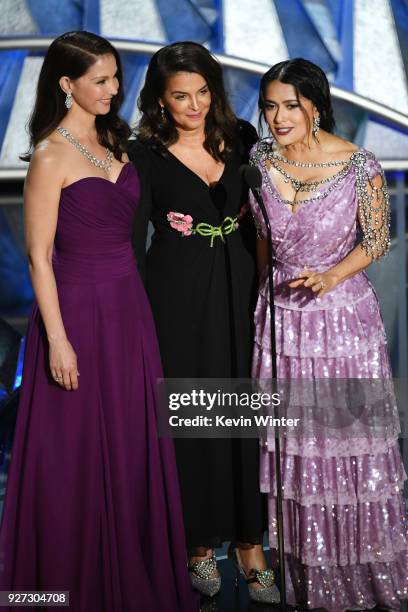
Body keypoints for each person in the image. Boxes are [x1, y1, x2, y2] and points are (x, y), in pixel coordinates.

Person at [0, 31, 198, 612]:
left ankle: (134, 573)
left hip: (129, 313)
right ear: (67, 85)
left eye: (115, 78)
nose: (114, 90)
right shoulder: (49, 155)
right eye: (101, 80)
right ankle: (65, 589)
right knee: (75, 457)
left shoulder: (118, 141)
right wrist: (58, 342)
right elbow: (39, 256)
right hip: (76, 317)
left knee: (133, 450)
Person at [249, 57, 408, 611]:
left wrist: (332, 275)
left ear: (315, 105)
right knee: (296, 451)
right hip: (279, 325)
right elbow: (261, 241)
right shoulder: (259, 158)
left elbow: (378, 239)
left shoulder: (358, 164)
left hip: (341, 323)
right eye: (269, 105)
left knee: (344, 446)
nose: (277, 116)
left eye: (290, 105)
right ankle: (302, 576)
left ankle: (363, 578)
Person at [129, 41, 279, 603]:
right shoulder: (144, 154)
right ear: (161, 101)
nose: (193, 105)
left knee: (245, 411)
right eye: (179, 96)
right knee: (193, 418)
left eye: (201, 92)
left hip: (243, 284)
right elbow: (132, 239)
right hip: (177, 295)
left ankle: (250, 543)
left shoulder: (242, 136)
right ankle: (197, 544)